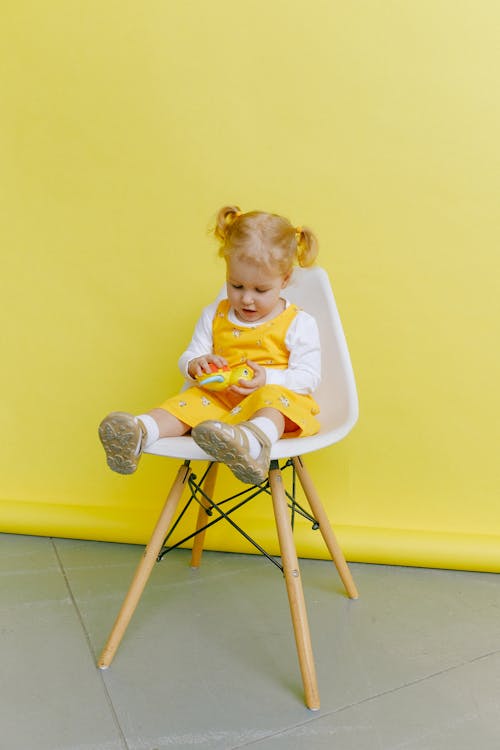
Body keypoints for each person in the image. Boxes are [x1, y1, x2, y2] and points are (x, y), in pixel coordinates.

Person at [99, 205, 322, 485]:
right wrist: (195, 364)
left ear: (285, 279)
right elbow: (192, 354)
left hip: (271, 402)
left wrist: (268, 378)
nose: (247, 299)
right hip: (220, 402)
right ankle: (138, 432)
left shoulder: (299, 322)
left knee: (272, 402)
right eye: (236, 286)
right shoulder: (214, 314)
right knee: (186, 403)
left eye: (261, 290)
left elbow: (308, 378)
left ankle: (252, 444)